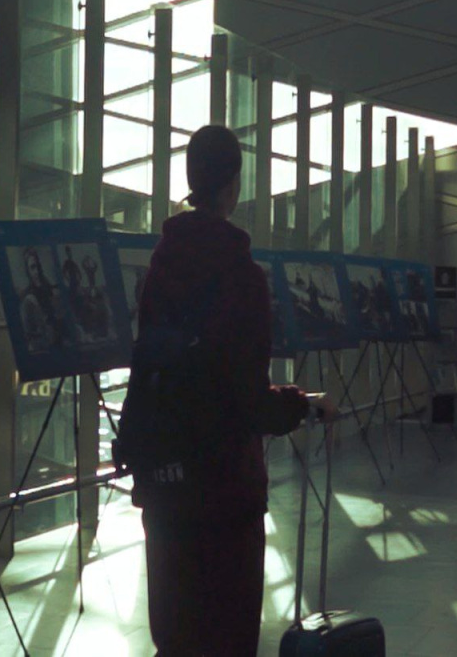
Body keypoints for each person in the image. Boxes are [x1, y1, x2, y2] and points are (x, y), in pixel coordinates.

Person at [135, 124, 338, 656]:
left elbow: (151, 368)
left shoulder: (159, 268)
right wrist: (300, 404)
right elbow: (246, 400)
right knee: (225, 634)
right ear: (232, 185)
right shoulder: (242, 277)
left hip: (166, 483)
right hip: (223, 488)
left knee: (175, 635)